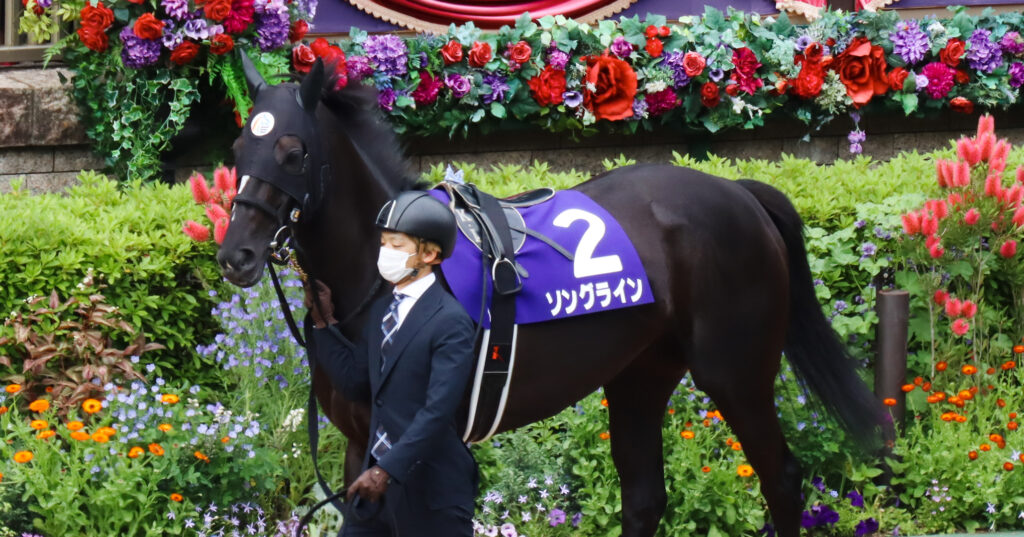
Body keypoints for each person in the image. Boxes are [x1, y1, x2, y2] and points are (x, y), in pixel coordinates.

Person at [305, 191, 478, 537]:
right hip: (375, 494)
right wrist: (323, 321)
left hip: (432, 495)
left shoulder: (451, 322)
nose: (385, 253)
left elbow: (437, 411)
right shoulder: (382, 312)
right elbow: (355, 381)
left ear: (429, 254)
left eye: (397, 246)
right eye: (383, 243)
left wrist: (385, 470)